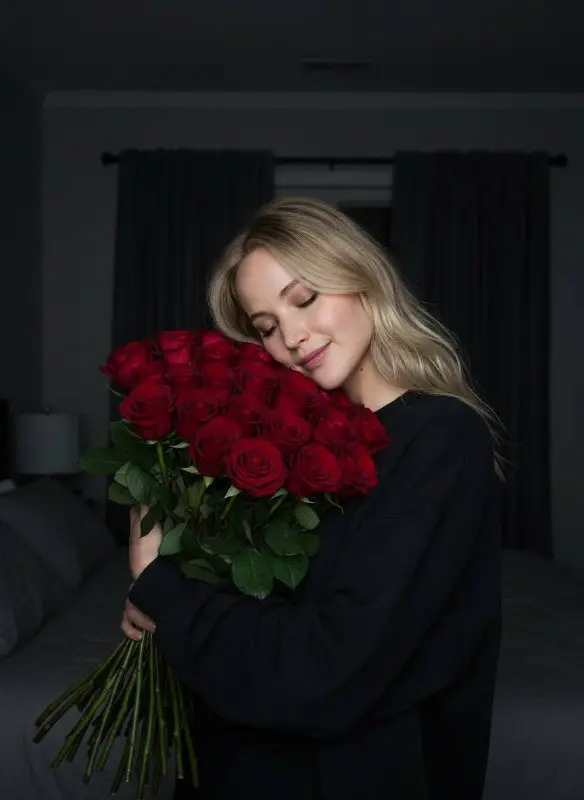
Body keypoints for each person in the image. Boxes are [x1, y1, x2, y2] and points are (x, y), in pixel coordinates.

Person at [123, 197, 502, 799]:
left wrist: (164, 591)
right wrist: (171, 602)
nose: (292, 338)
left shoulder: (441, 437)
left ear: (361, 277)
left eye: (304, 299)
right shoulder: (297, 440)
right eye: (266, 327)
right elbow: (254, 599)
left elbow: (330, 671)